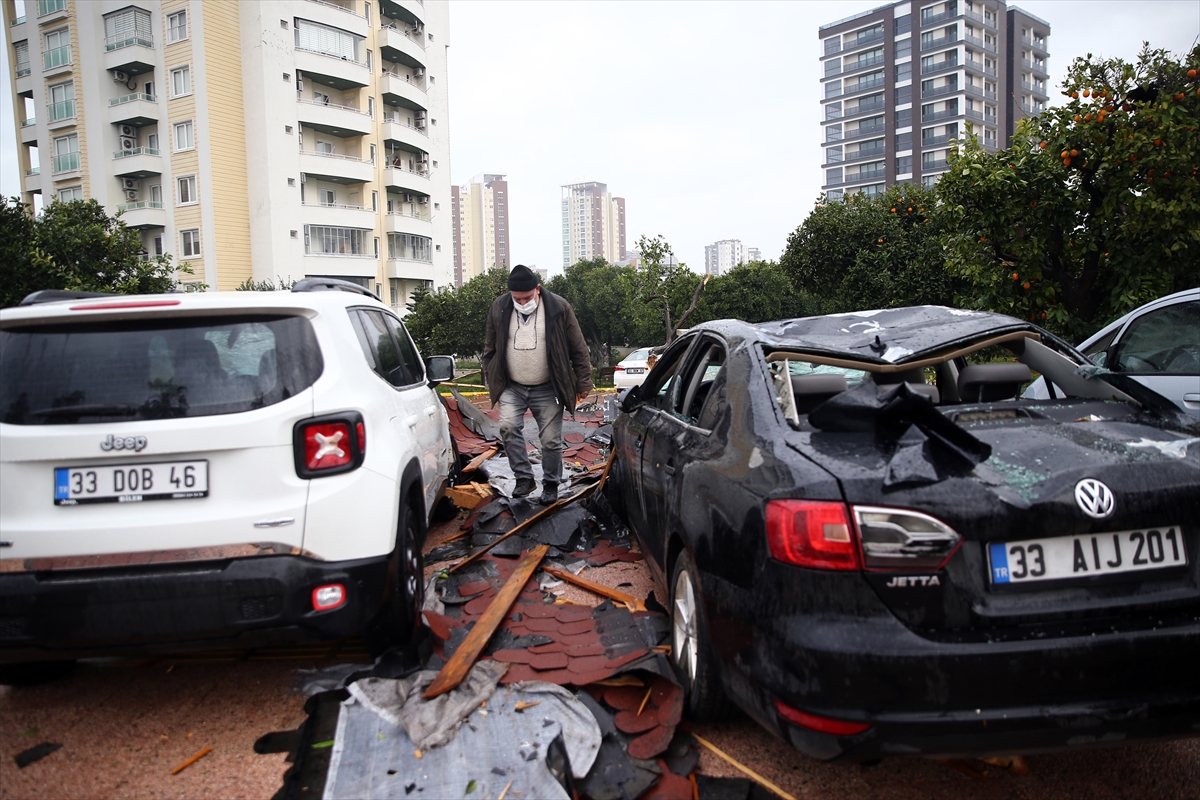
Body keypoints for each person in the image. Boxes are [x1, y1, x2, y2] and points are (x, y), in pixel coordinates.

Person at [483, 265, 593, 504]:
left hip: (548, 386)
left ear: (538, 289)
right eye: (517, 299)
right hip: (512, 385)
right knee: (509, 427)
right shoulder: (500, 308)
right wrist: (489, 374)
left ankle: (551, 484)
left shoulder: (559, 308)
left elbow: (579, 348)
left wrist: (583, 381)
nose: (522, 303)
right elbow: (490, 347)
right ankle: (524, 478)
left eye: (527, 297)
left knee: (550, 439)